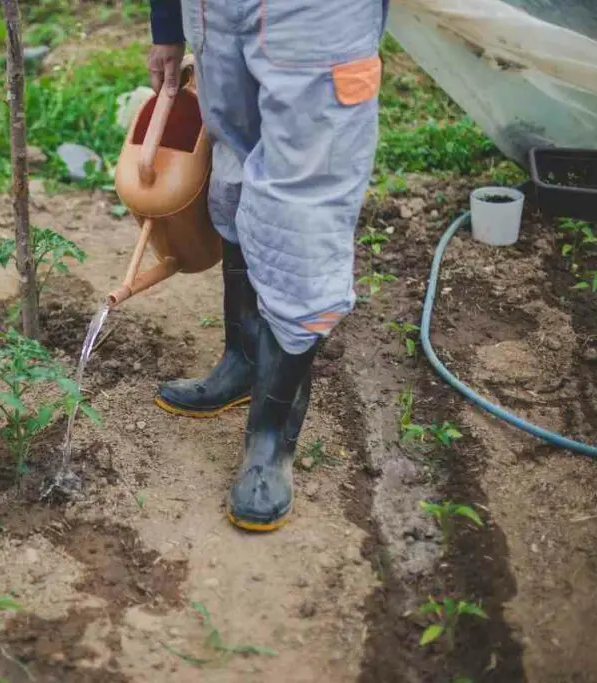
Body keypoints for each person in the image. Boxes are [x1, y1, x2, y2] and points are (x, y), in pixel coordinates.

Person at [147, 0, 388, 532]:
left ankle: (270, 438)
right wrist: (167, 22)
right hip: (213, 12)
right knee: (232, 177)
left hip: (314, 16)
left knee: (299, 215)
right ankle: (243, 363)